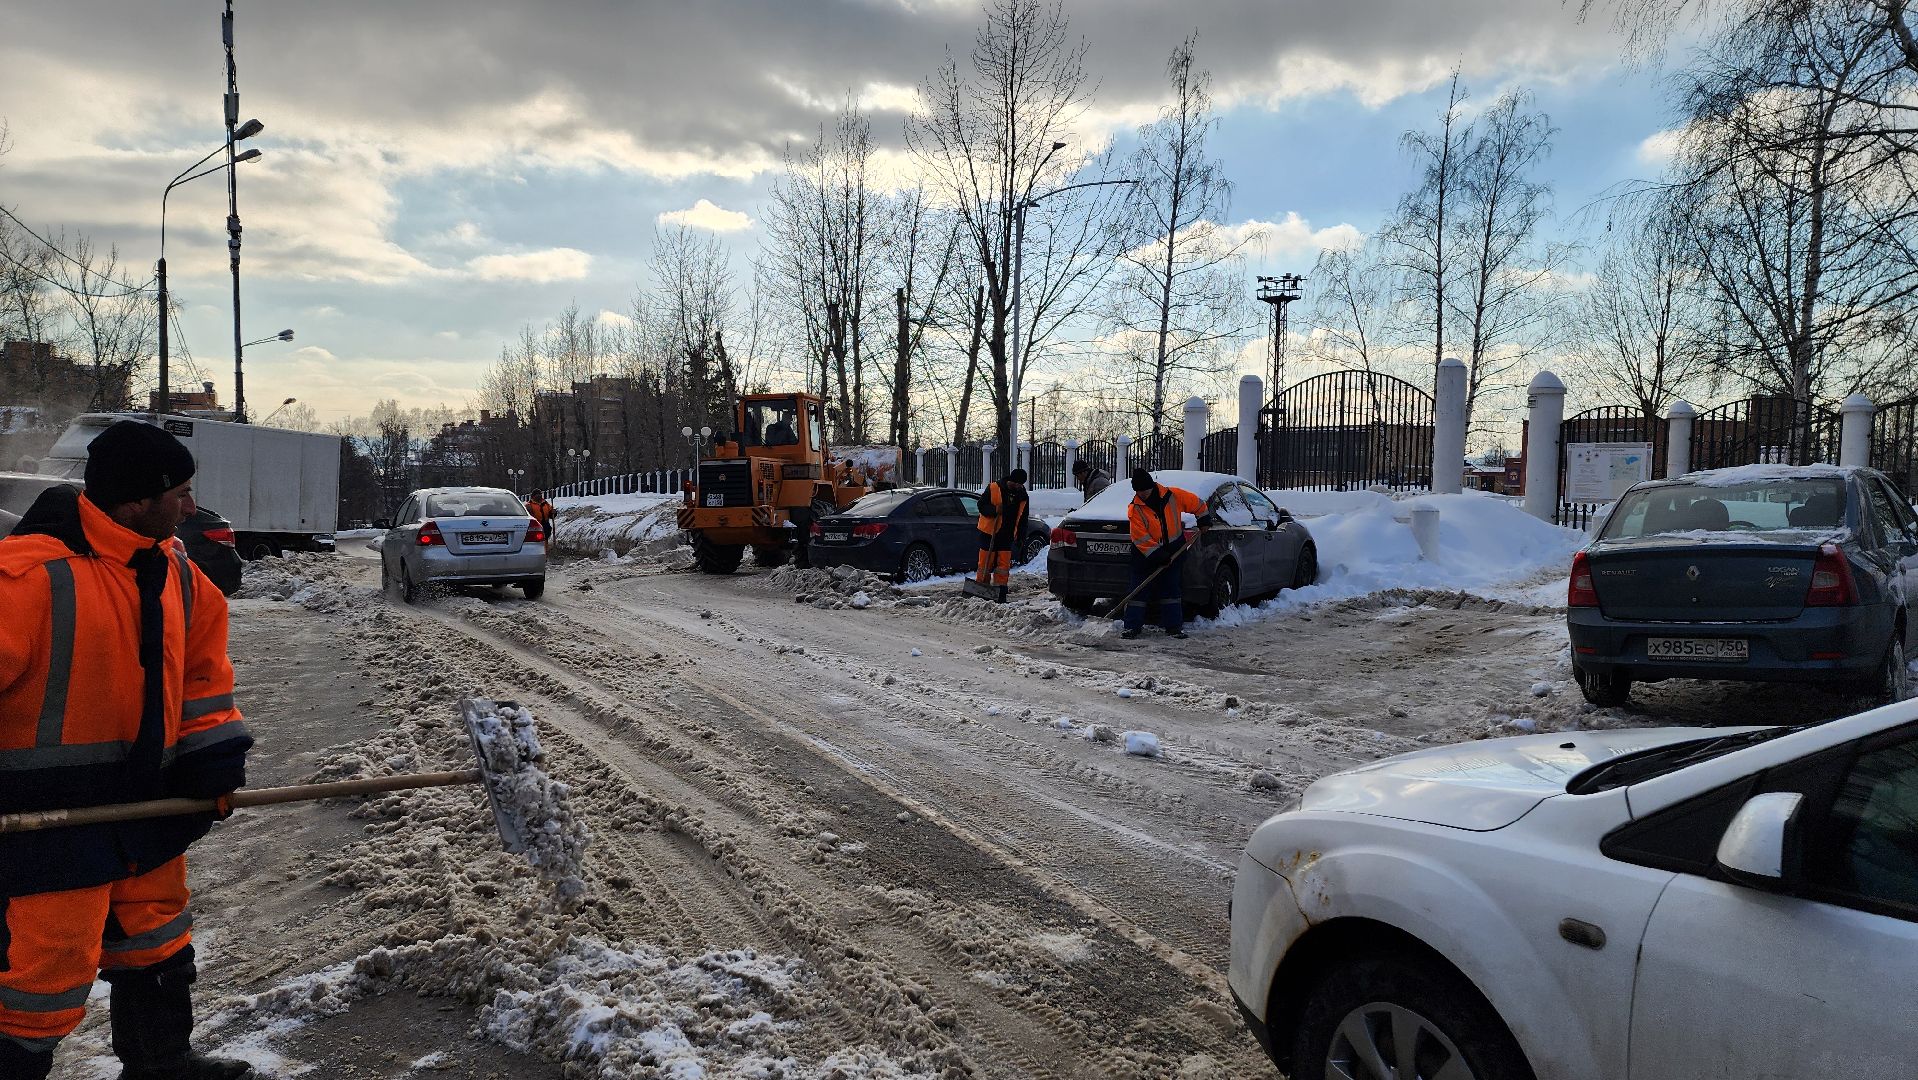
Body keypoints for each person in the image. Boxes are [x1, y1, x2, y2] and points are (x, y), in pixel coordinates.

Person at [0, 420, 254, 1080]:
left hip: (147, 806)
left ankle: (162, 1063)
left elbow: (203, 673)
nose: (191, 506)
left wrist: (212, 757)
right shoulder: (26, 579)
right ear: (137, 501)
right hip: (47, 824)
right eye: (180, 492)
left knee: (155, 934)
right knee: (43, 971)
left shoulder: (176, 570)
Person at [1122, 467, 1212, 640]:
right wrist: (1157, 555)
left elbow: (1197, 504)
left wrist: (1204, 519)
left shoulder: (1173, 496)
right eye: (1138, 492)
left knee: (1171, 590)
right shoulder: (1135, 508)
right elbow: (1140, 538)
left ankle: (1173, 627)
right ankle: (1132, 627)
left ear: (1151, 486)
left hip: (1174, 550)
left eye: (1144, 491)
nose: (1142, 495)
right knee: (1138, 592)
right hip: (1145, 555)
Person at [974, 469, 1030, 603]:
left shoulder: (1022, 495)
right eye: (1018, 484)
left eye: (1022, 484)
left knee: (1003, 566)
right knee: (985, 564)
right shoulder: (994, 488)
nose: (1020, 486)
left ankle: (1000, 592)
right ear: (1012, 481)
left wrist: (1021, 537)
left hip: (1007, 535)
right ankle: (981, 589)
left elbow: (1023, 518)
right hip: (989, 533)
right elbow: (981, 505)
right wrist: (994, 510)